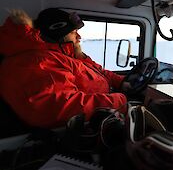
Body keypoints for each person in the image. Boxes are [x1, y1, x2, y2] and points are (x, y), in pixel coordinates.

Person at [0, 8, 129, 128]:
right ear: (58, 35)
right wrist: (121, 102)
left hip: (108, 104)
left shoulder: (67, 54)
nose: (79, 37)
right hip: (88, 124)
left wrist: (121, 81)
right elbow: (64, 107)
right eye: (74, 33)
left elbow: (98, 71)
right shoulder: (36, 61)